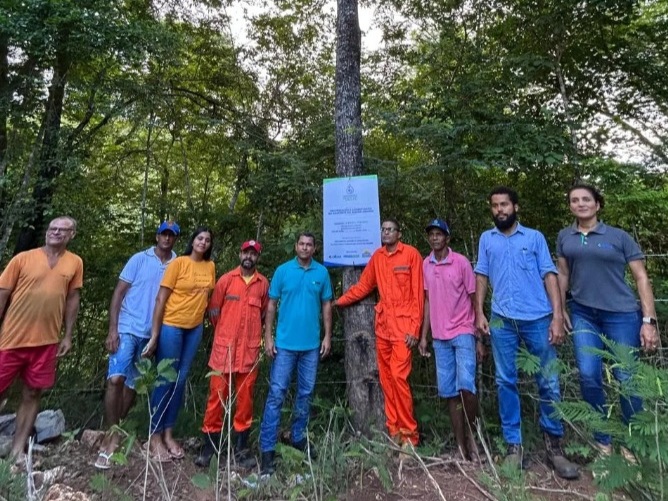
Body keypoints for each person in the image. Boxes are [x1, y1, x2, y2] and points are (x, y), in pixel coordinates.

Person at [474, 187, 579, 479]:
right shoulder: (487, 239)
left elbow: (549, 275)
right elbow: (481, 275)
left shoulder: (534, 238)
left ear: (515, 207)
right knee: (505, 381)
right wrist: (479, 312)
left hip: (537, 319)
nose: (500, 210)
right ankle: (513, 447)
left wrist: (557, 317)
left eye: (504, 204)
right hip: (502, 320)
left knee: (548, 381)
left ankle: (554, 446)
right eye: (495, 205)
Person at [556, 184, 659, 459]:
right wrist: (560, 308)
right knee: (589, 375)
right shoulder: (565, 237)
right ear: (570, 206)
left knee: (627, 377)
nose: (580, 204)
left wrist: (648, 320)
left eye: (586, 199)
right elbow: (562, 274)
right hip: (583, 314)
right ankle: (603, 441)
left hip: (621, 315)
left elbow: (641, 278)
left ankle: (632, 443)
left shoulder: (618, 237)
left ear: (597, 204)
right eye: (574, 200)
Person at [94, 221, 179, 469]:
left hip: (152, 332)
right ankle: (112, 435)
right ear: (157, 236)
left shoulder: (177, 264)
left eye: (171, 235)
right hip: (128, 327)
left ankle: (117, 429)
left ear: (175, 239)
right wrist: (113, 328)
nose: (166, 238)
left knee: (133, 384)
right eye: (163, 234)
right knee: (115, 379)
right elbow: (119, 293)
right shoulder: (139, 259)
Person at [0, 216, 83, 462]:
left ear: (71, 235)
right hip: (11, 339)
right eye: (52, 228)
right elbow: (3, 293)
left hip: (46, 342)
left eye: (62, 230)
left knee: (33, 393)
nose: (55, 232)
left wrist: (67, 335)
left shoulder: (75, 263)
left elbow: (72, 299)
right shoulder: (23, 259)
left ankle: (17, 450)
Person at [336, 219, 423, 448]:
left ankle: (410, 436)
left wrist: (415, 328)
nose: (386, 233)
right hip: (383, 327)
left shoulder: (412, 255)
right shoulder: (377, 257)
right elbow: (364, 286)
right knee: (386, 380)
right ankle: (394, 430)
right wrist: (339, 301)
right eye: (383, 230)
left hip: (404, 328)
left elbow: (418, 295)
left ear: (399, 233)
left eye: (390, 229)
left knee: (399, 377)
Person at [259, 232, 333, 476]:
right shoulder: (283, 271)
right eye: (301, 244)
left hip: (311, 345)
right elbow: (271, 305)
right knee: (276, 394)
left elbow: (326, 305)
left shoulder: (321, 273)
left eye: (309, 244)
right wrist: (268, 338)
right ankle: (267, 448)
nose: (305, 247)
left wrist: (327, 336)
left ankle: (298, 437)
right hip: (285, 346)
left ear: (314, 248)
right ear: (295, 246)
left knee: (305, 393)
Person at [194, 240, 269, 468]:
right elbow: (214, 313)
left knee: (245, 401)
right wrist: (227, 333)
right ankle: (209, 447)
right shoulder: (226, 280)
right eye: (245, 252)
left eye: (253, 254)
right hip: (223, 352)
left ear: (257, 257)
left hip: (248, 353)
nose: (249, 256)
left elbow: (265, 316)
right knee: (216, 399)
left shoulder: (263, 284)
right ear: (240, 253)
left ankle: (241, 448)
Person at [144, 227, 216, 462]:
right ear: (192, 241)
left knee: (180, 380)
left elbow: (208, 300)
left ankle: (168, 433)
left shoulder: (210, 267)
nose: (203, 242)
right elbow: (161, 299)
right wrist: (155, 335)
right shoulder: (178, 263)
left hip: (194, 328)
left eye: (207, 240)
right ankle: (154, 436)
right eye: (199, 238)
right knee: (166, 377)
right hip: (172, 325)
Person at [418, 219, 483, 461]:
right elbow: (427, 301)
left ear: (447, 238)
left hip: (463, 330)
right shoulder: (426, 264)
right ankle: (460, 446)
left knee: (467, 387)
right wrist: (423, 336)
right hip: (439, 336)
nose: (435, 238)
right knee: (450, 393)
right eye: (431, 234)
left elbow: (474, 297)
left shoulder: (461, 262)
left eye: (439, 234)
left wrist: (479, 337)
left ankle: (473, 438)